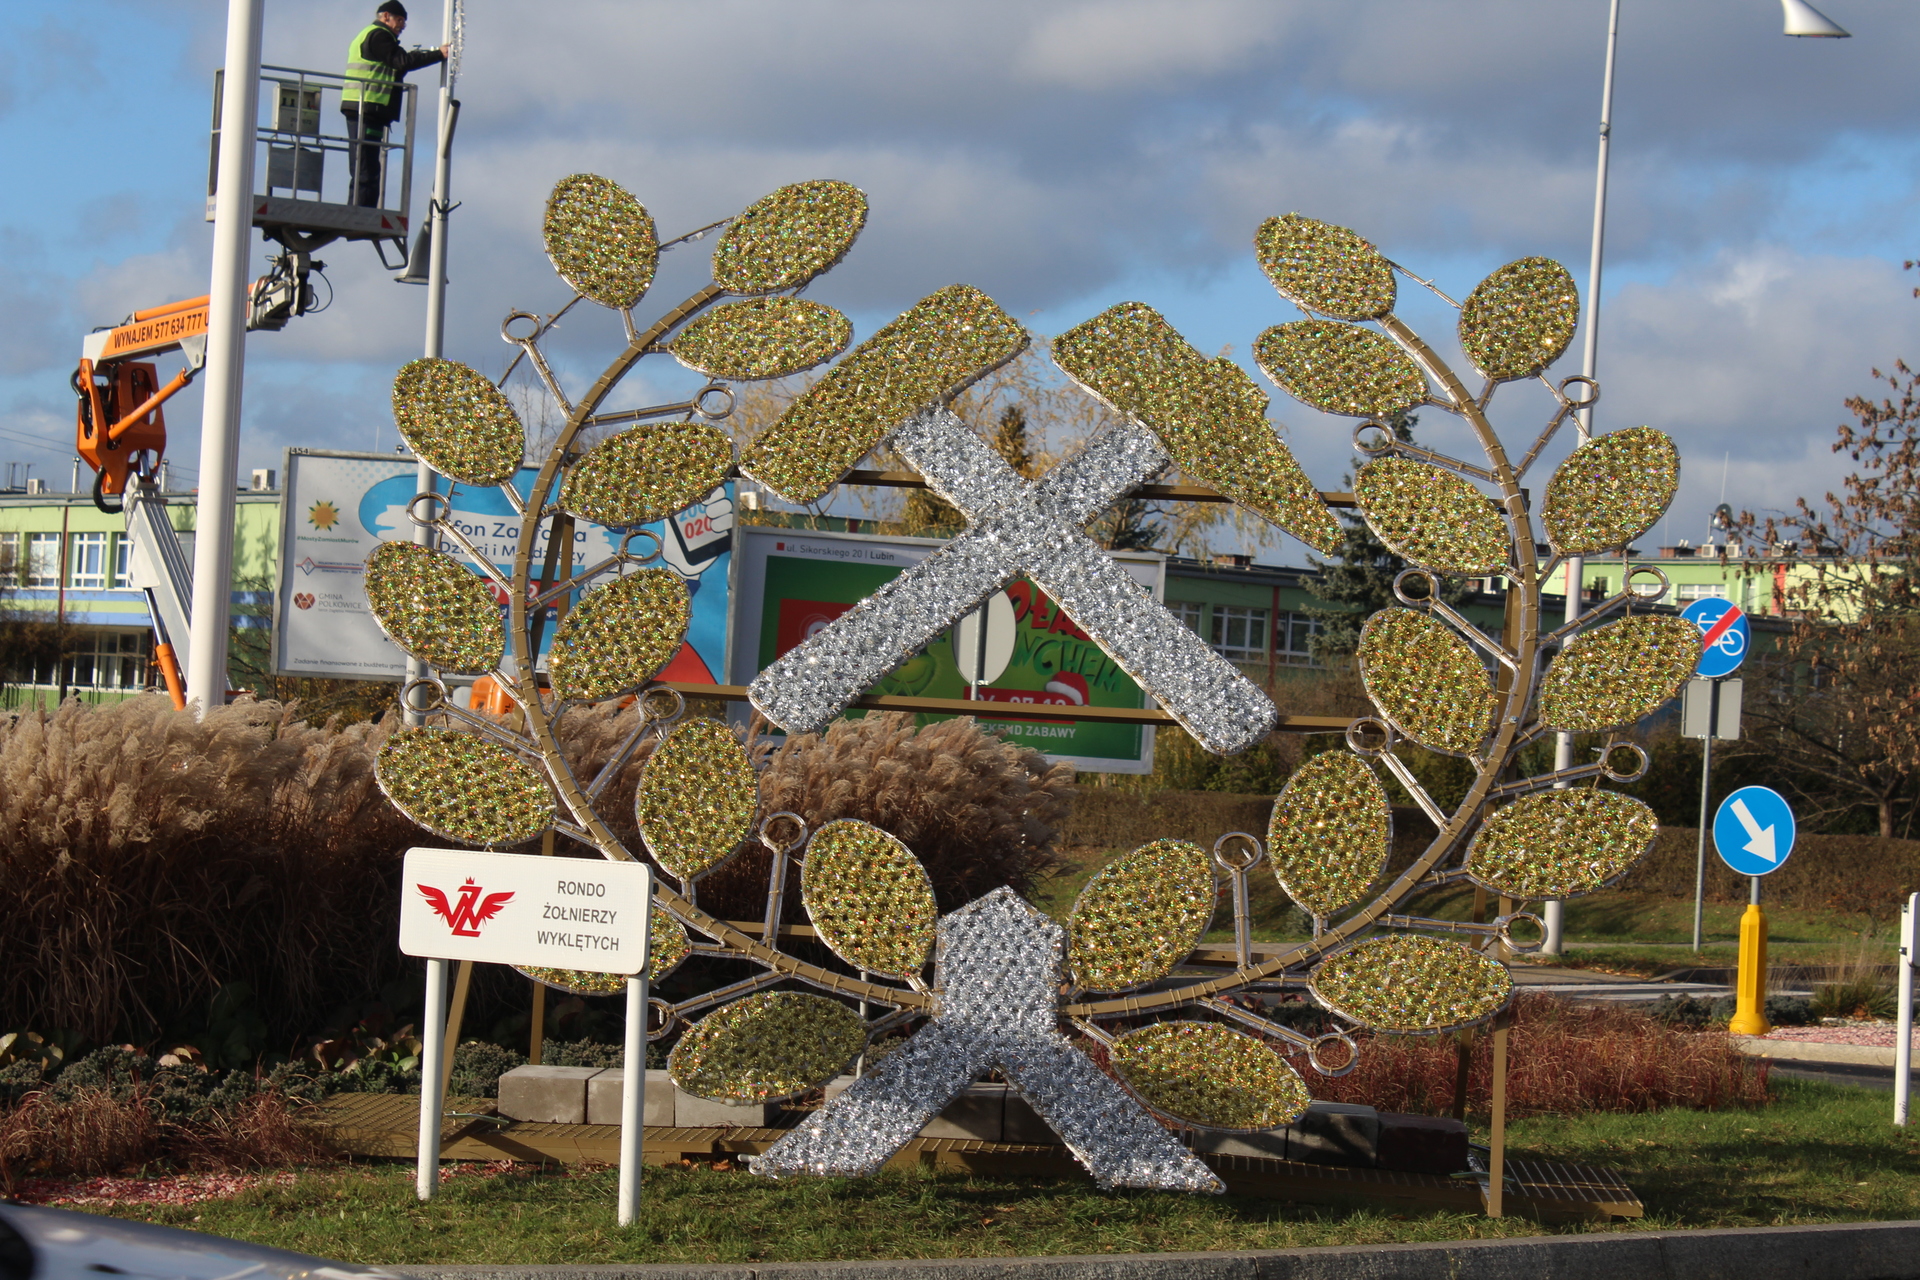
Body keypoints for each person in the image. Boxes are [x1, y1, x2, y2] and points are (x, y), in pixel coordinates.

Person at [341, 2, 447, 208]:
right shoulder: (380, 36)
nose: (402, 26)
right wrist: (438, 54)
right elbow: (402, 62)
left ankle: (358, 208)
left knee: (362, 162)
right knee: (366, 165)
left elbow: (396, 65)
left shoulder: (368, 35)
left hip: (363, 106)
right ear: (386, 16)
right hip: (368, 106)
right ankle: (362, 211)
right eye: (399, 21)